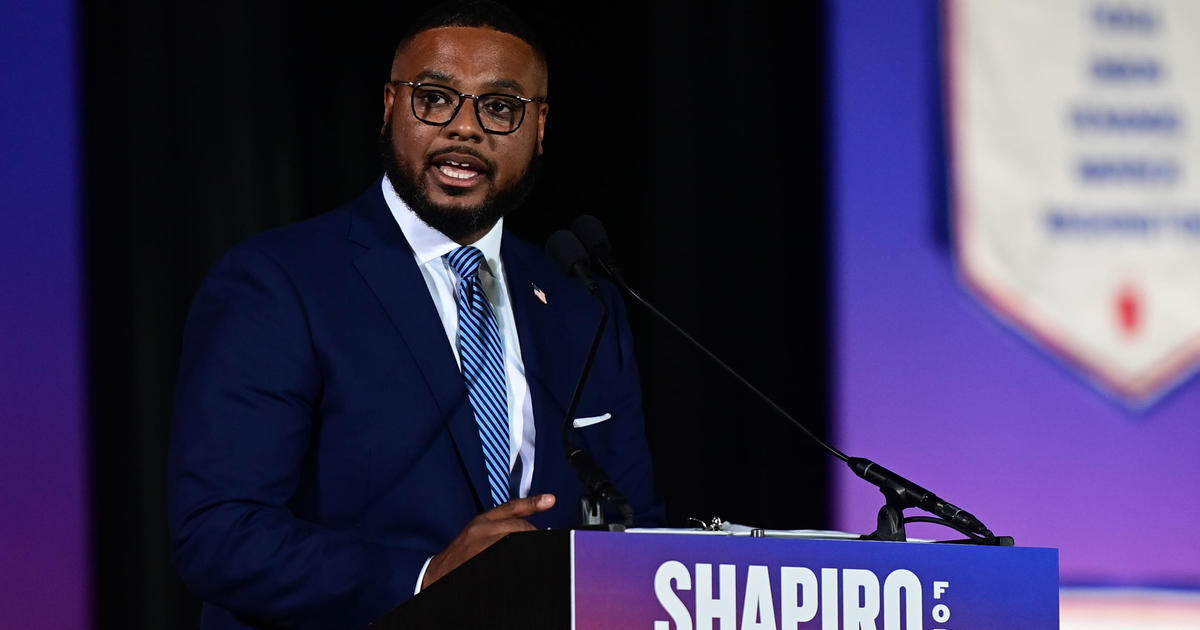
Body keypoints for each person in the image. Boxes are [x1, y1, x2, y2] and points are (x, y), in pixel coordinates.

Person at [167, 2, 660, 628]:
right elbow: (219, 534)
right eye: (435, 98)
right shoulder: (278, 282)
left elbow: (637, 523)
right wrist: (426, 577)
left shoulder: (578, 298)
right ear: (389, 107)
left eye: (500, 107)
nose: (465, 129)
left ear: (539, 129)